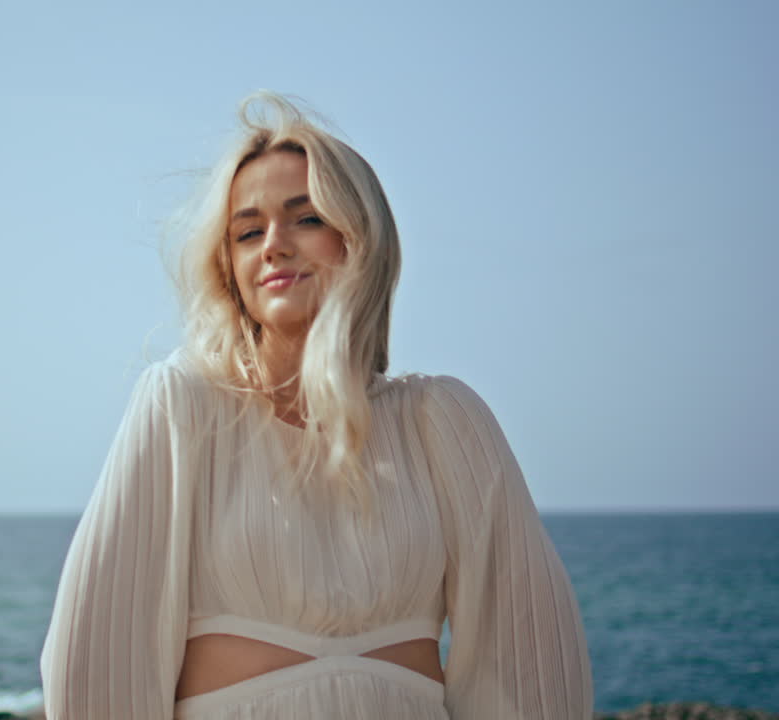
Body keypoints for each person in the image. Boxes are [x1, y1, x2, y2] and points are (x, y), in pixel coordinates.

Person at [39, 91, 594, 720]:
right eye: (248, 231)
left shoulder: (444, 422)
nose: (273, 244)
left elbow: (530, 667)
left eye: (305, 218)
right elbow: (99, 663)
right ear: (230, 268)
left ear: (362, 238)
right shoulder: (182, 407)